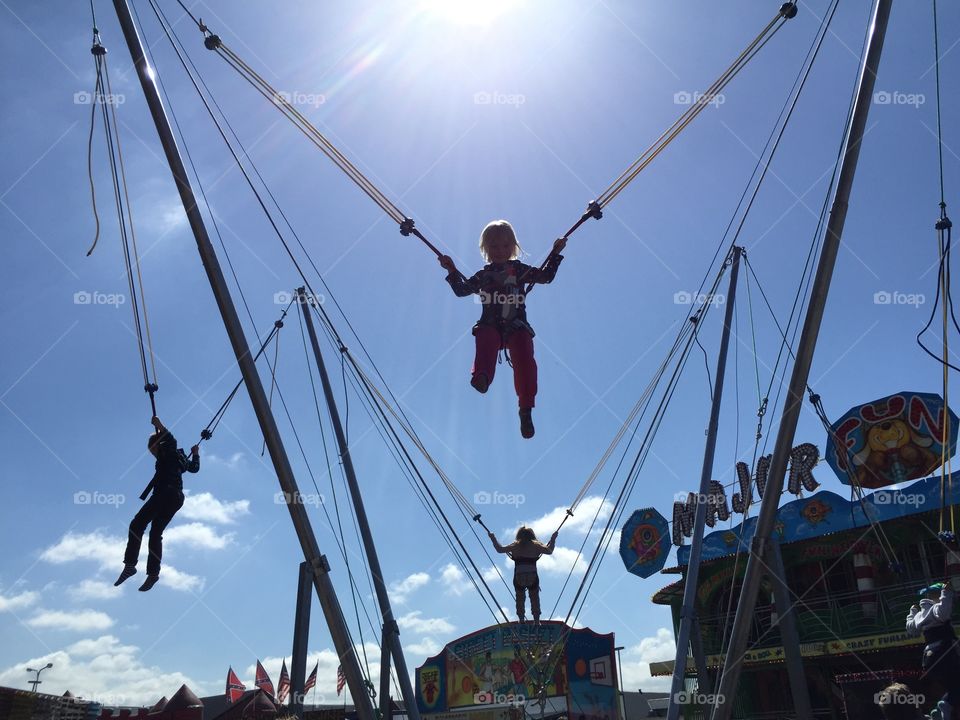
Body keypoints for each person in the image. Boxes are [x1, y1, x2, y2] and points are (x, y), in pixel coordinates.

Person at [439, 220, 566, 439]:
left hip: (516, 325)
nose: (500, 251)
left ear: (513, 247)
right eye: (494, 247)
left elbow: (545, 277)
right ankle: (482, 376)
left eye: (505, 246)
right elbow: (461, 290)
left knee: (525, 356)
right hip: (491, 325)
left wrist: (555, 253)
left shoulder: (519, 270)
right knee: (485, 337)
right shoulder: (483, 275)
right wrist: (451, 270)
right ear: (486, 250)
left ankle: (525, 409)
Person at [115, 416, 200, 592]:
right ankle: (153, 573)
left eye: (152, 450)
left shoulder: (166, 452)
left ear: (157, 446)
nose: (152, 454)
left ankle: (130, 564)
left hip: (165, 493)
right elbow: (194, 468)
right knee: (155, 534)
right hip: (176, 498)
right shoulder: (179, 459)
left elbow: (171, 439)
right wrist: (196, 453)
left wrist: (159, 425)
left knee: (137, 524)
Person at [906, 582, 960, 720]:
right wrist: (946, 593)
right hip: (944, 654)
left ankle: (939, 711)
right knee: (957, 685)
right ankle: (945, 705)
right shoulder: (935, 608)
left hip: (929, 659)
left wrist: (912, 613)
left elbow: (911, 628)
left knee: (952, 686)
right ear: (935, 596)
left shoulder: (919, 615)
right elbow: (944, 613)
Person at [489, 526, 557, 624]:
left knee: (520, 598)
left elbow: (500, 549)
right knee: (534, 597)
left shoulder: (515, 545)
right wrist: (553, 539)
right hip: (532, 576)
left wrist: (493, 538)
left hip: (519, 576)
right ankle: (536, 621)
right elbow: (549, 551)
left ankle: (521, 619)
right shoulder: (536, 545)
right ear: (532, 535)